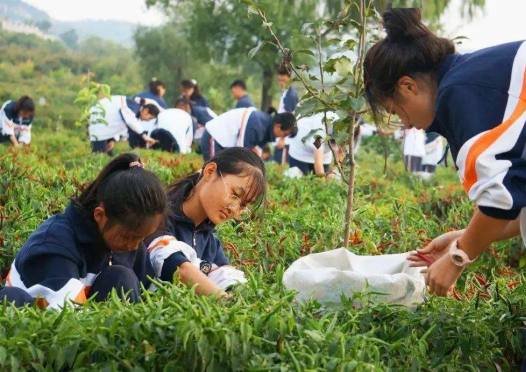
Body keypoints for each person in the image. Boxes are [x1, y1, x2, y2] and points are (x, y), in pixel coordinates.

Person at [363, 8, 526, 298]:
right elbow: (515, 203)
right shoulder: (476, 77)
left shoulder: (460, 93)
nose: (406, 124)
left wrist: (457, 258)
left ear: (408, 86)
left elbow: (499, 202)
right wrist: (464, 237)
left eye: (395, 111)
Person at [0, 153, 167, 308]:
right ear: (100, 215)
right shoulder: (55, 244)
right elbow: (69, 321)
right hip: (37, 322)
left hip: (83, 311)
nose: (134, 246)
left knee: (121, 277)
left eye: (141, 238)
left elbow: (152, 297)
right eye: (128, 237)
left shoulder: (127, 243)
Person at [146, 147, 266, 296]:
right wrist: (224, 300)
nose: (234, 208)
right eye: (235, 194)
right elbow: (179, 270)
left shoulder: (210, 242)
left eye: (243, 205)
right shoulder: (156, 216)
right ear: (210, 171)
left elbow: (227, 278)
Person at [201, 107, 297, 161]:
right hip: (215, 136)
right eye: (284, 134)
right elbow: (241, 149)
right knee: (213, 172)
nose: (282, 138)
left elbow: (256, 152)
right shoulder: (257, 123)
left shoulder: (267, 128)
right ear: (278, 126)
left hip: (224, 143)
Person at [88, 95, 159, 155]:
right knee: (98, 154)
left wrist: (112, 139)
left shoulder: (134, 113)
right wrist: (144, 136)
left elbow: (120, 123)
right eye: (150, 118)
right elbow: (129, 121)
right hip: (99, 120)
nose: (147, 121)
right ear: (146, 111)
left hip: (103, 125)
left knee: (105, 154)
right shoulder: (133, 106)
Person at [274, 67, 299, 164]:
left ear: (290, 79)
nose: (281, 83)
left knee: (281, 167)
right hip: (282, 137)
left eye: (283, 80)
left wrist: (282, 138)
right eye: (279, 80)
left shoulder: (290, 96)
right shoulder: (285, 93)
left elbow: (291, 119)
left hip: (285, 141)